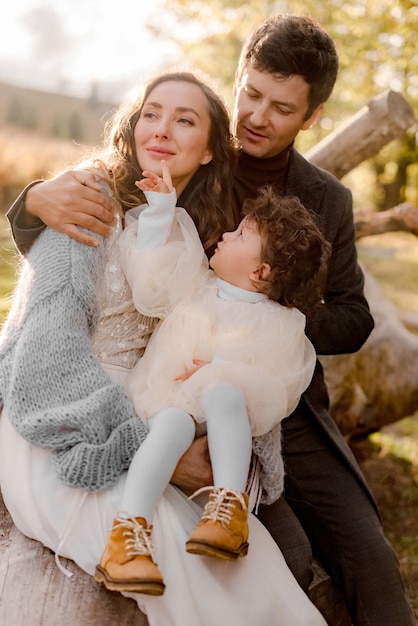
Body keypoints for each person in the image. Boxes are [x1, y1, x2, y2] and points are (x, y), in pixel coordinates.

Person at [2, 14, 415, 625]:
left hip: (281, 402)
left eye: (281, 108)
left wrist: (262, 315)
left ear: (311, 117)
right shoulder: (181, 166)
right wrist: (31, 197)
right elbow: (91, 233)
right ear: (238, 84)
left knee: (369, 559)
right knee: (285, 558)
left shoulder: (325, 197)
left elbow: (352, 316)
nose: (256, 116)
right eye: (250, 95)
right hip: (166, 383)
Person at [94, 161, 330, 595]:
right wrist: (162, 208)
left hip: (227, 410)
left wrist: (216, 364)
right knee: (169, 426)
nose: (225, 235)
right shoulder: (196, 285)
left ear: (262, 272)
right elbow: (153, 269)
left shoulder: (279, 320)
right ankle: (127, 538)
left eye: (241, 235)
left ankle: (227, 511)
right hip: (170, 394)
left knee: (223, 387)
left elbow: (274, 366)